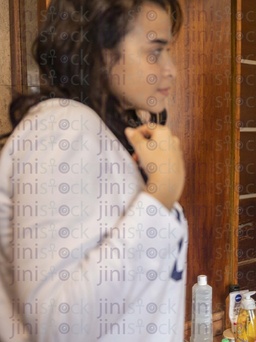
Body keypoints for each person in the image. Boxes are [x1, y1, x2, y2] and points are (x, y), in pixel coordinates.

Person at [0, 0, 187, 341]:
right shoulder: (63, 128)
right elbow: (60, 324)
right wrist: (161, 194)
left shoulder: (98, 132)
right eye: (155, 52)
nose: (171, 69)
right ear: (99, 51)